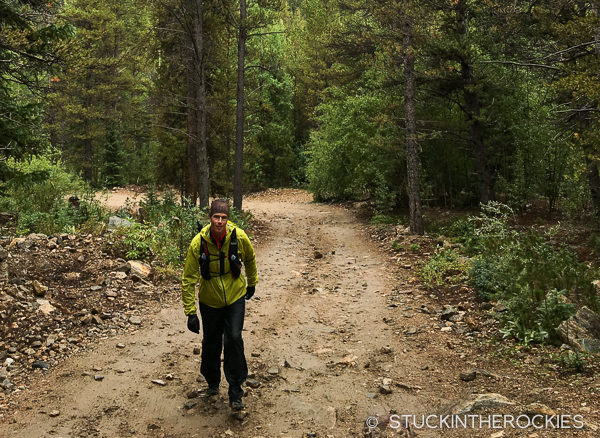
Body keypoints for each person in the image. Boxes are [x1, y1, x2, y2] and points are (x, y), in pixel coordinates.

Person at [181, 199, 258, 410]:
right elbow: (188, 278)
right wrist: (190, 312)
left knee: (234, 338)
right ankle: (212, 383)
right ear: (210, 218)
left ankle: (236, 390)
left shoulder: (238, 237)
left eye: (224, 218)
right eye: (216, 217)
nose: (220, 222)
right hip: (209, 300)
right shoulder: (198, 242)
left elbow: (250, 259)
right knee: (211, 342)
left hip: (235, 296)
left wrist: (252, 283)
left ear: (228, 219)